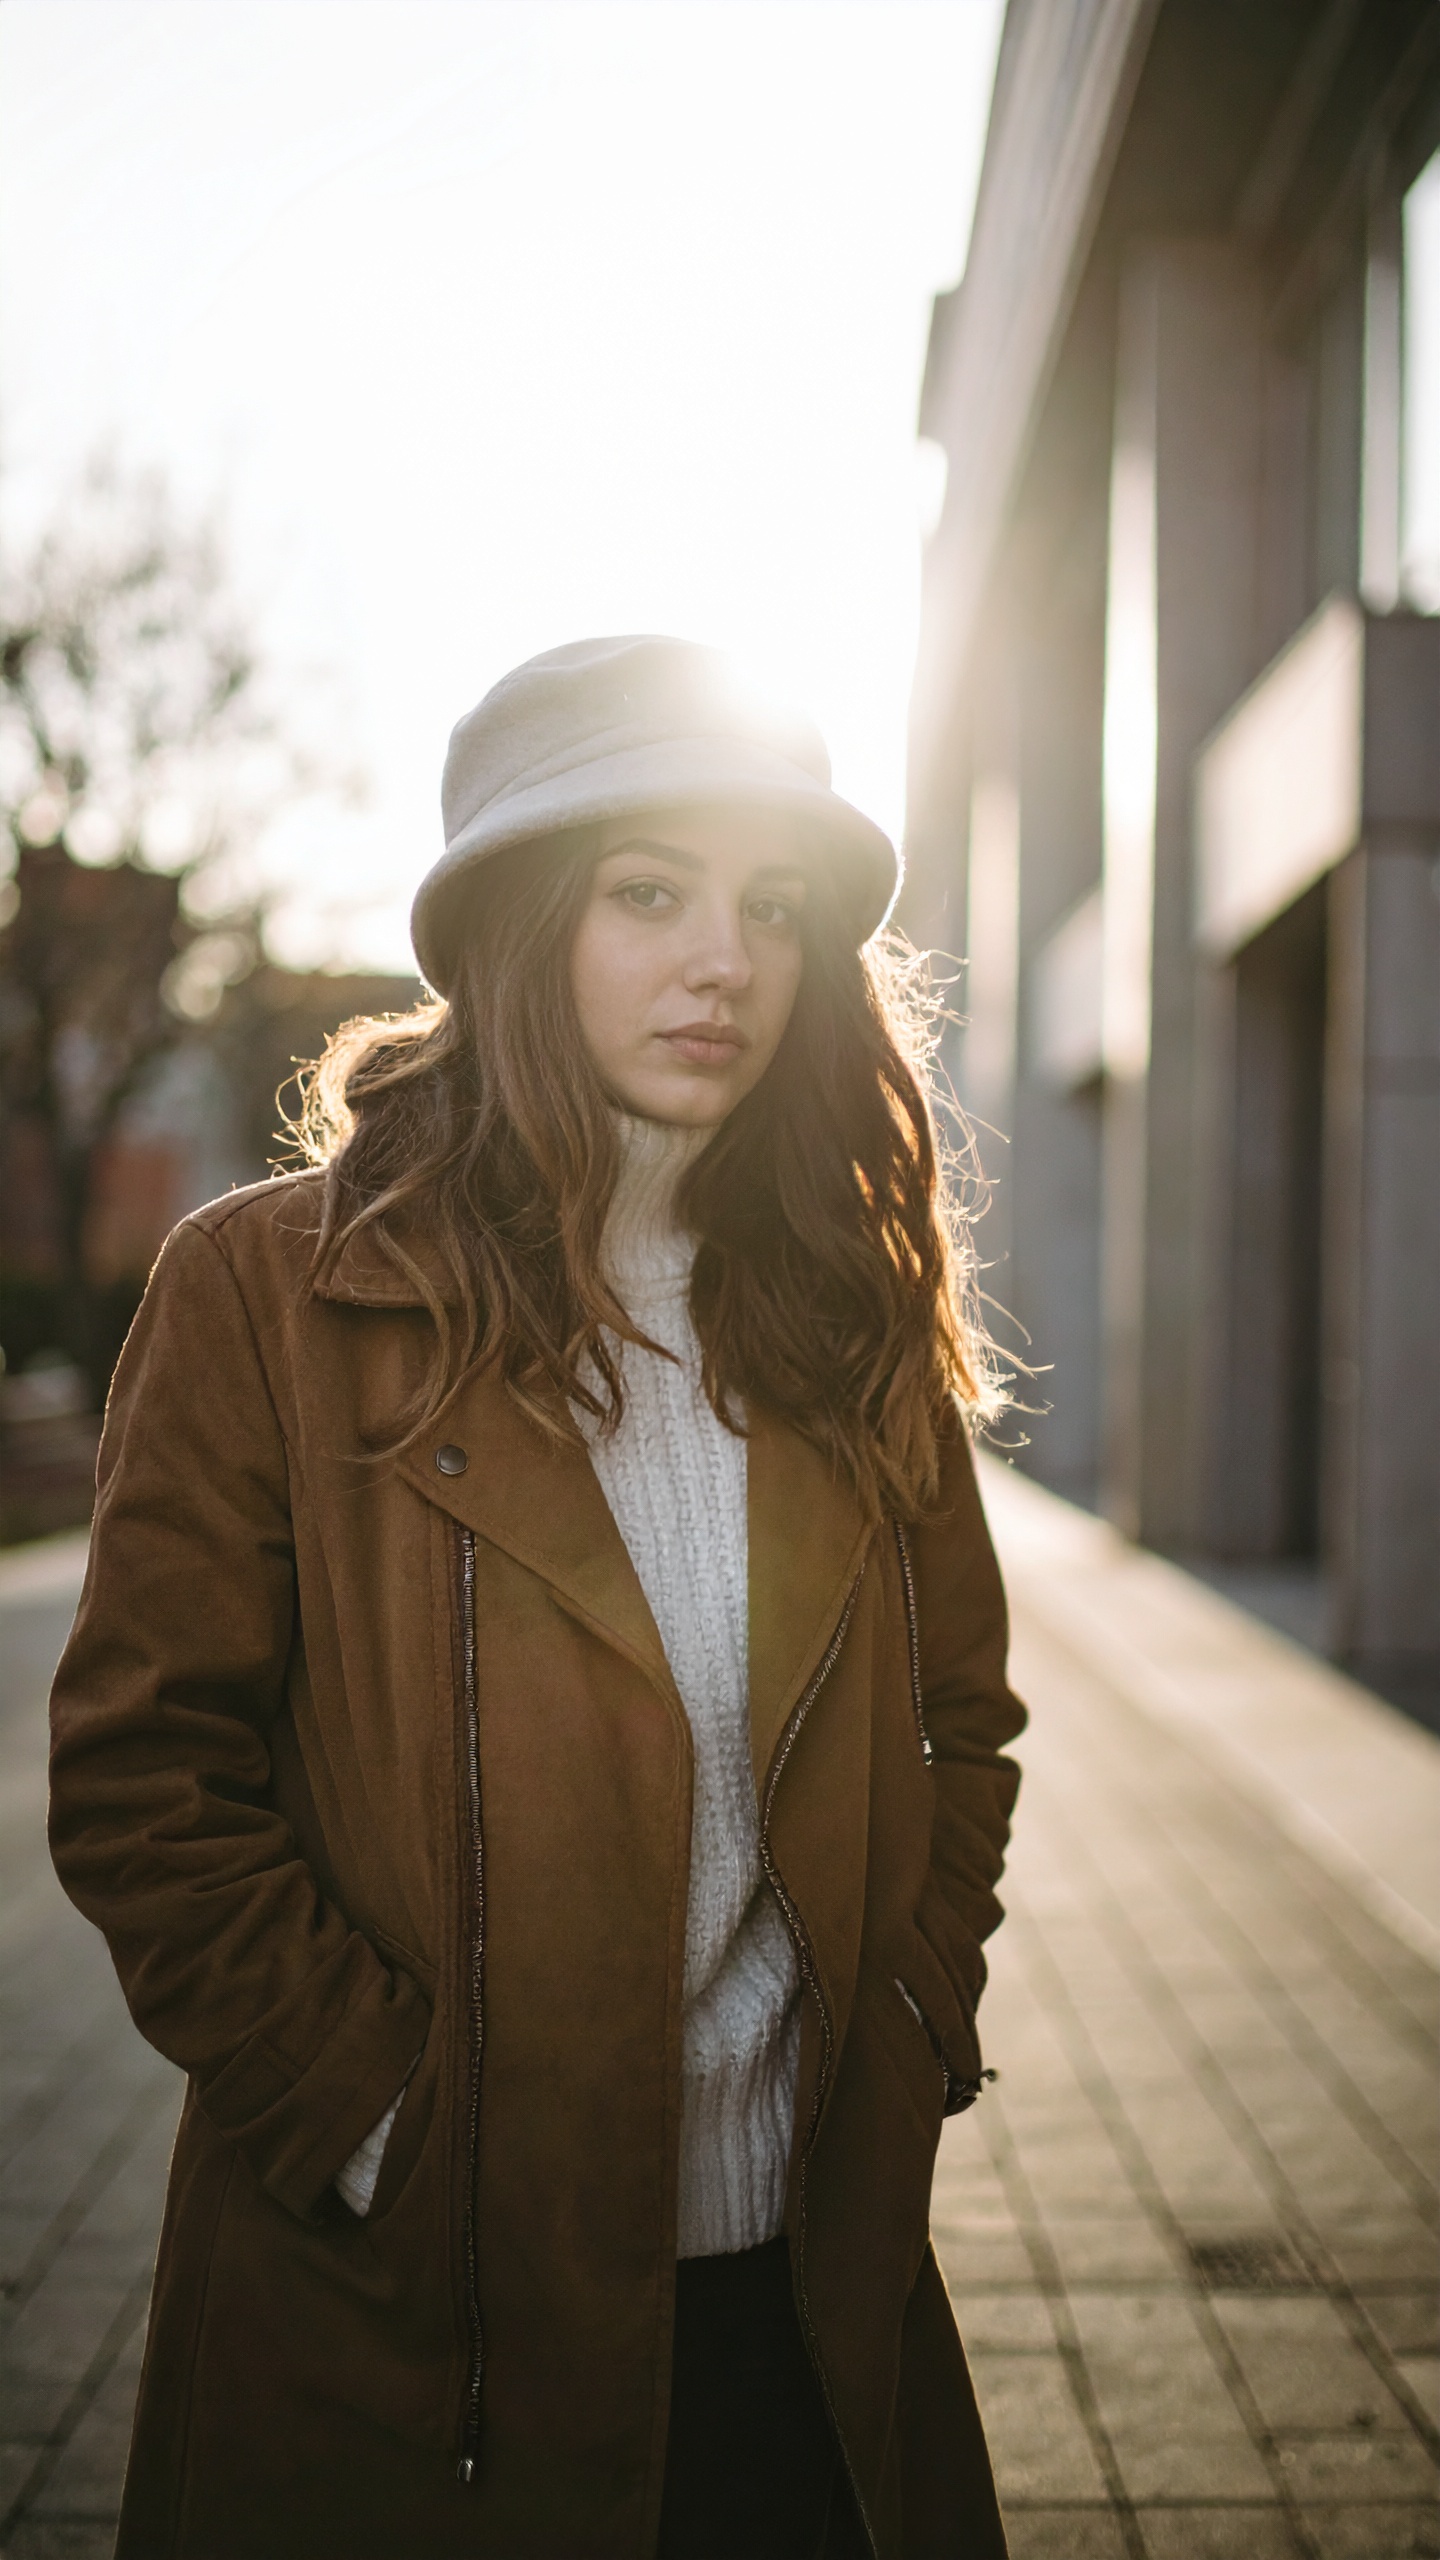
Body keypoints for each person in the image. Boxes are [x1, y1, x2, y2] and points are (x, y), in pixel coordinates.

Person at [49, 636, 1026, 2560]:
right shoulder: (271, 1296)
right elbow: (145, 1783)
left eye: (767, 906)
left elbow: (965, 1717)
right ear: (516, 927)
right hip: (409, 2332)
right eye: (645, 893)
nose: (720, 960)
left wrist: (912, 2007)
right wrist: (375, 2128)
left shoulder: (842, 1307)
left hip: (796, 2307)